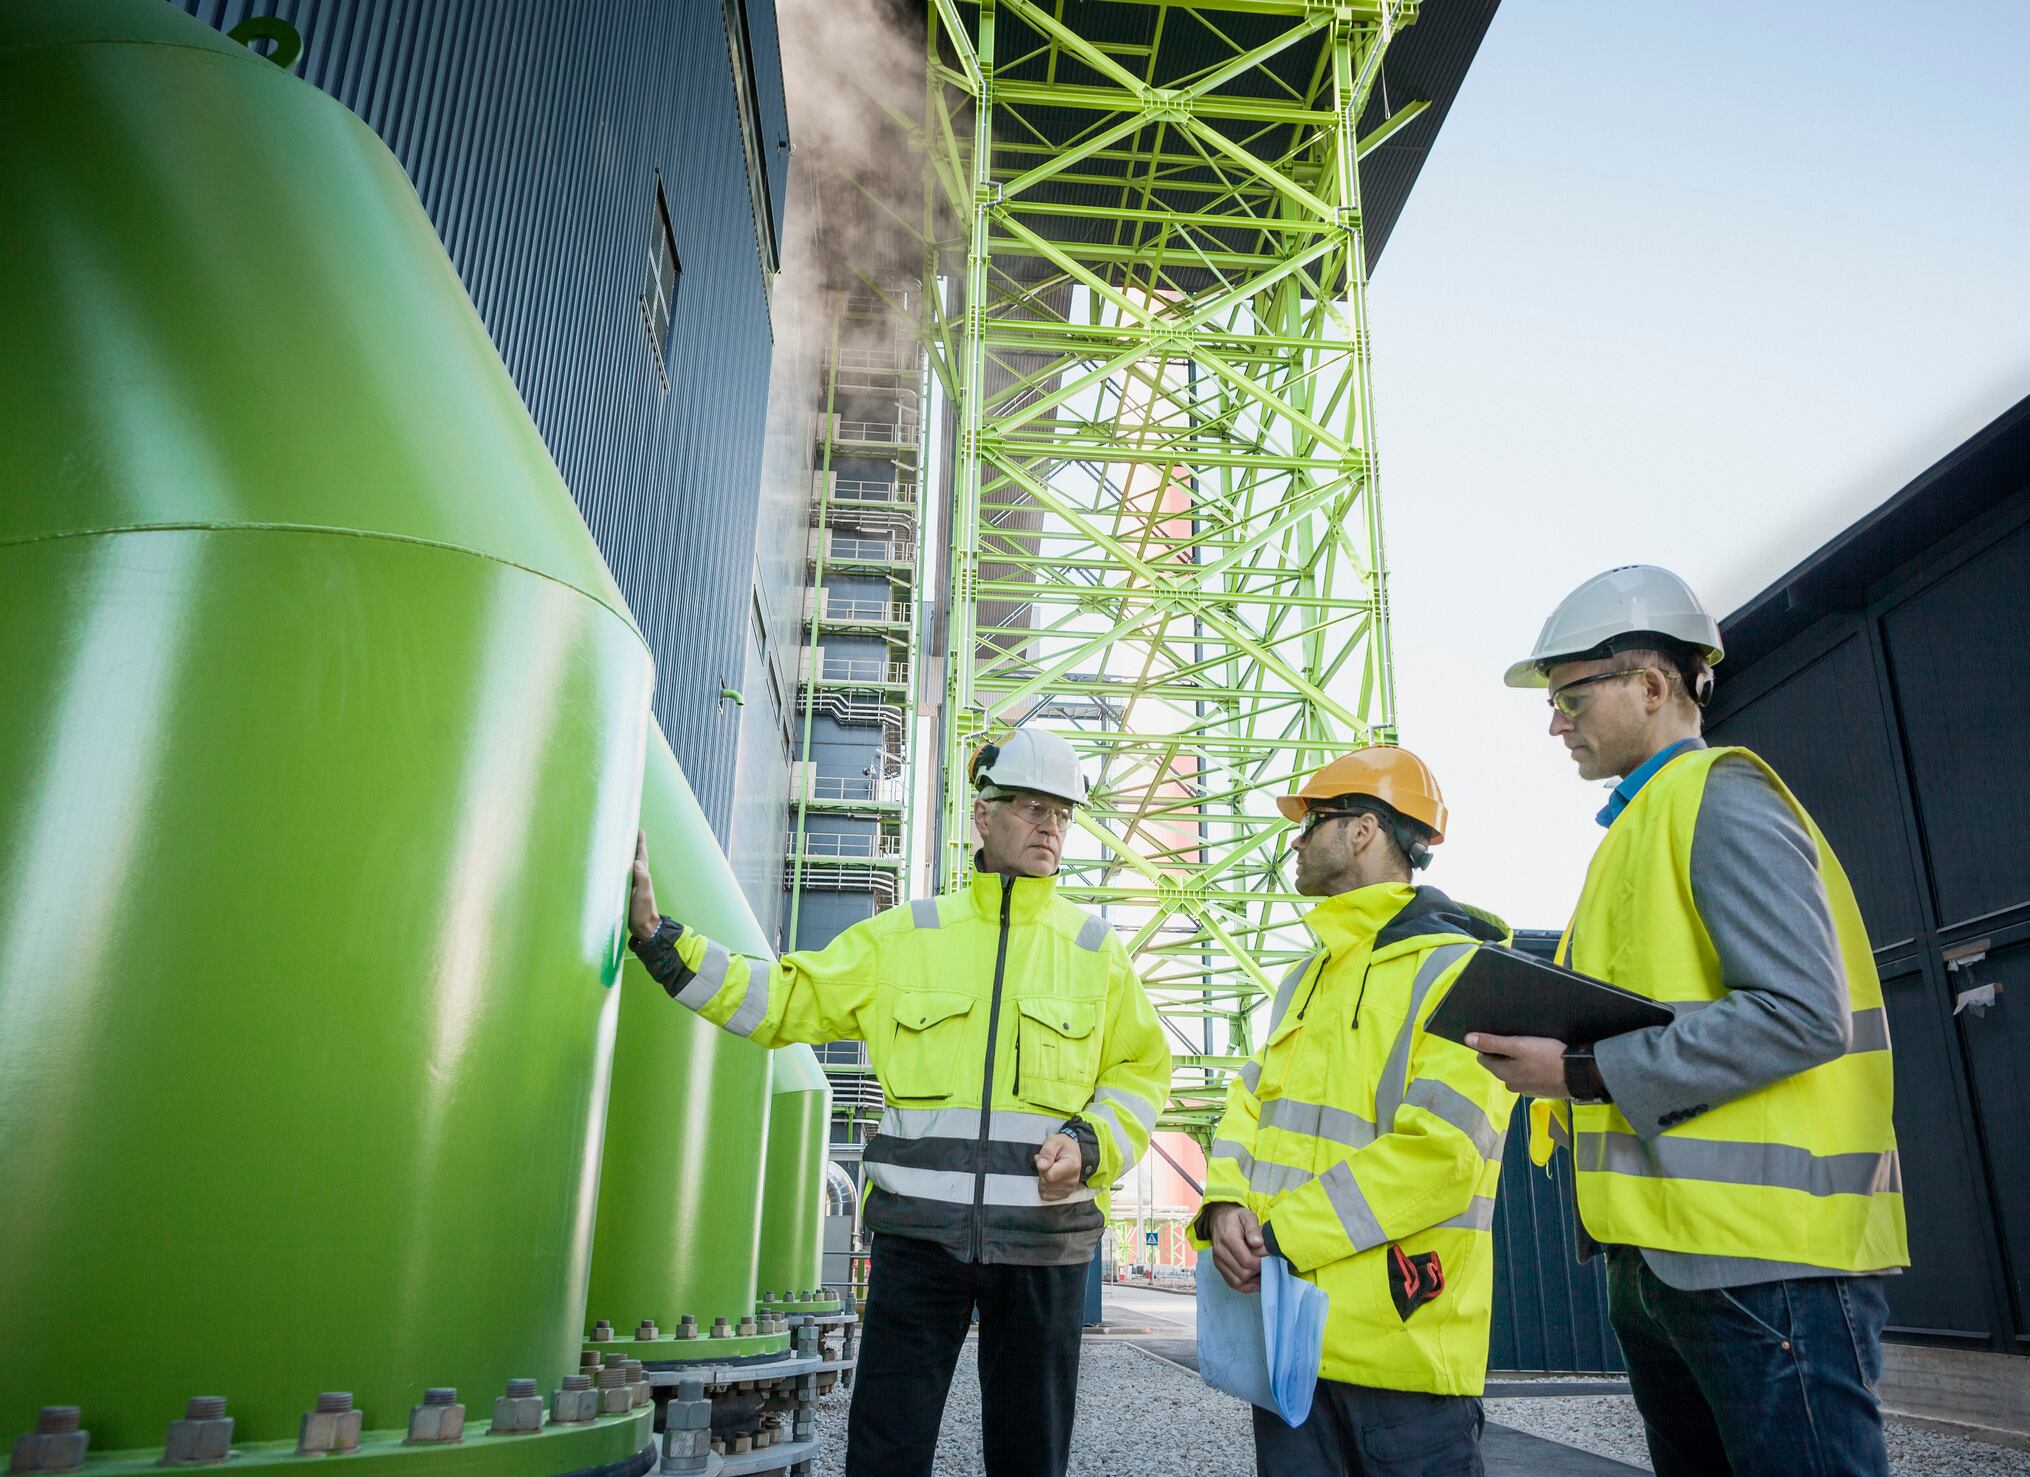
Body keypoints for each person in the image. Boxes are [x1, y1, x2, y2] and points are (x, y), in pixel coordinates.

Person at [627, 725, 1171, 1477]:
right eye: (1032, 806)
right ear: (985, 816)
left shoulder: (1094, 949)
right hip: (919, 1243)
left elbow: (1140, 1072)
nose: (1051, 825)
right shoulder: (907, 937)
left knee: (1031, 1456)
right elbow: (787, 996)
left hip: (1045, 1244)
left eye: (1063, 812)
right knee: (885, 1449)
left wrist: (1091, 1141)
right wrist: (664, 945)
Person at [1474, 564, 1908, 1477]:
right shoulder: (1637, 829)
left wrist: (1579, 1072)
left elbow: (1799, 1015)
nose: (1556, 722)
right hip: (1668, 1260)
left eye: (1570, 697)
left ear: (1653, 686)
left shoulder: (1721, 795)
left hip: (1764, 1268)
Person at [1193, 746, 1515, 1477]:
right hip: (1290, 1343)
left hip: (1401, 1353)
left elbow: (1441, 1156)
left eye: (1313, 823)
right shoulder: (1305, 977)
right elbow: (1252, 1102)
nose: (1297, 843)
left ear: (1365, 830)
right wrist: (1224, 1200)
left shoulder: (1461, 969)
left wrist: (1280, 1234)